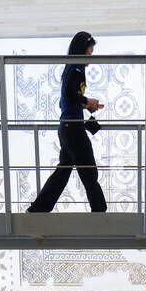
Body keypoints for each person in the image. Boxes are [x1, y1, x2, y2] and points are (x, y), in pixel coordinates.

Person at [26, 31, 108, 213]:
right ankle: (100, 212)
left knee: (63, 171)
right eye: (90, 52)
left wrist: (85, 105)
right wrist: (87, 102)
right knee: (89, 171)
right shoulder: (77, 69)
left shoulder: (70, 68)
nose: (91, 56)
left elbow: (66, 98)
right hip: (73, 128)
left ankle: (38, 209)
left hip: (66, 126)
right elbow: (71, 94)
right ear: (82, 50)